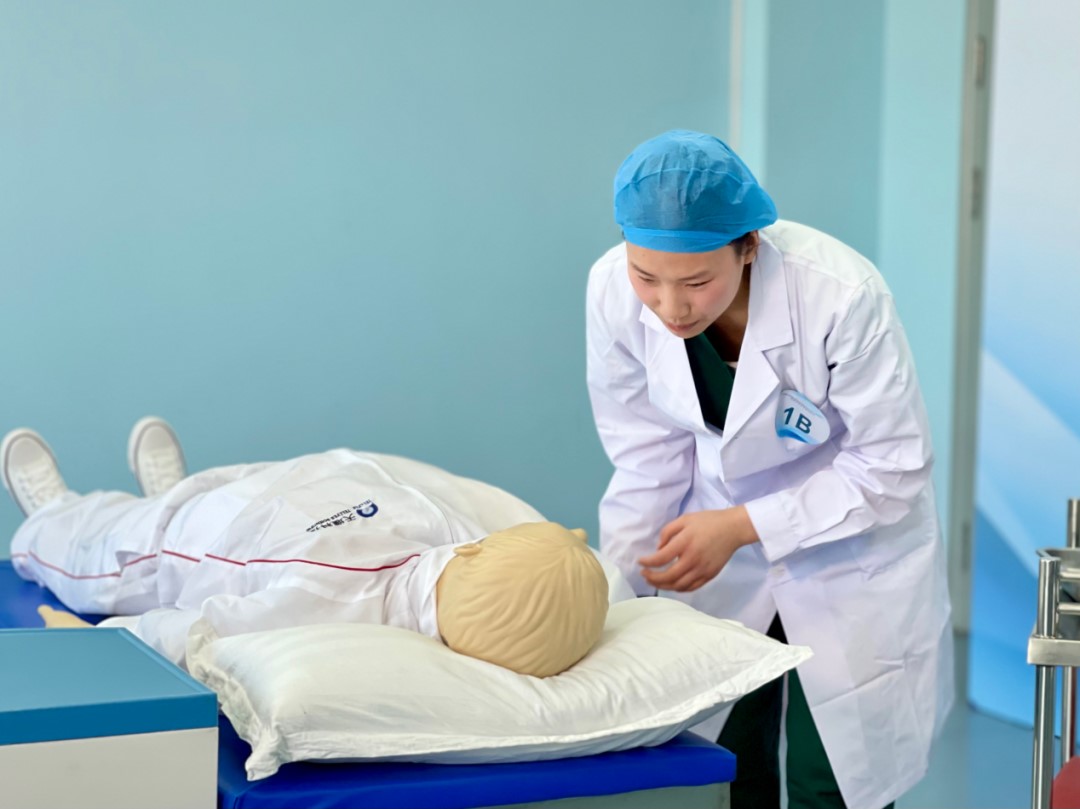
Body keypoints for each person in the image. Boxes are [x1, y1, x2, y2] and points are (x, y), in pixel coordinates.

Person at [585, 130, 953, 809]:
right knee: (729, 758)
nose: (670, 307)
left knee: (832, 778)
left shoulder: (840, 295)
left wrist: (741, 525)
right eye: (647, 277)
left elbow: (892, 465)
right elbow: (644, 456)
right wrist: (615, 593)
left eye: (697, 281)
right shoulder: (611, 289)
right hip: (718, 560)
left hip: (849, 556)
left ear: (749, 246)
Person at [1, 418, 612, 678]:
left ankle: (53, 514)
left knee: (96, 553)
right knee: (201, 493)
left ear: (480, 556)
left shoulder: (326, 605)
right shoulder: (448, 526)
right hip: (267, 491)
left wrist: (103, 643)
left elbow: (194, 633)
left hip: (181, 546)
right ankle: (169, 490)